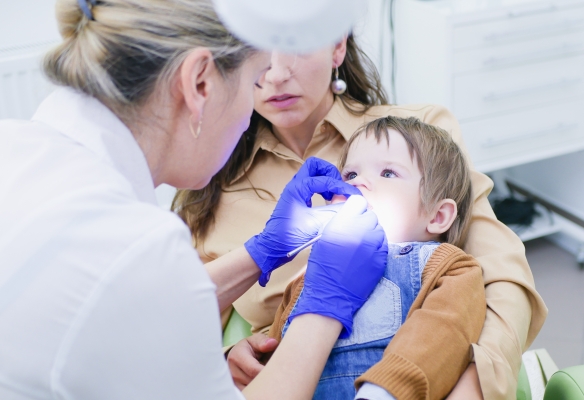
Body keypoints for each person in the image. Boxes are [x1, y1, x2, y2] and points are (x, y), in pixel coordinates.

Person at [0, 1, 389, 399]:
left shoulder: (14, 147)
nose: (247, 120)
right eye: (256, 79)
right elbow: (140, 286)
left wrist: (262, 252)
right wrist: (323, 307)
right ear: (200, 82)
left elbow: (143, 309)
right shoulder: (139, 249)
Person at [176, 33, 548, 399]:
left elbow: (502, 275)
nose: (275, 73)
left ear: (338, 45)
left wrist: (473, 387)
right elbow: (175, 328)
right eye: (255, 47)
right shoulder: (206, 184)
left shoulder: (420, 133)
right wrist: (230, 361)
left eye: (295, 41)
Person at [268, 116, 487, 400]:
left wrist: (383, 391)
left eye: (387, 173)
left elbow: (445, 331)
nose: (359, 183)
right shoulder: (308, 275)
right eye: (349, 175)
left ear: (438, 215)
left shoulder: (445, 266)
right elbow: (279, 352)